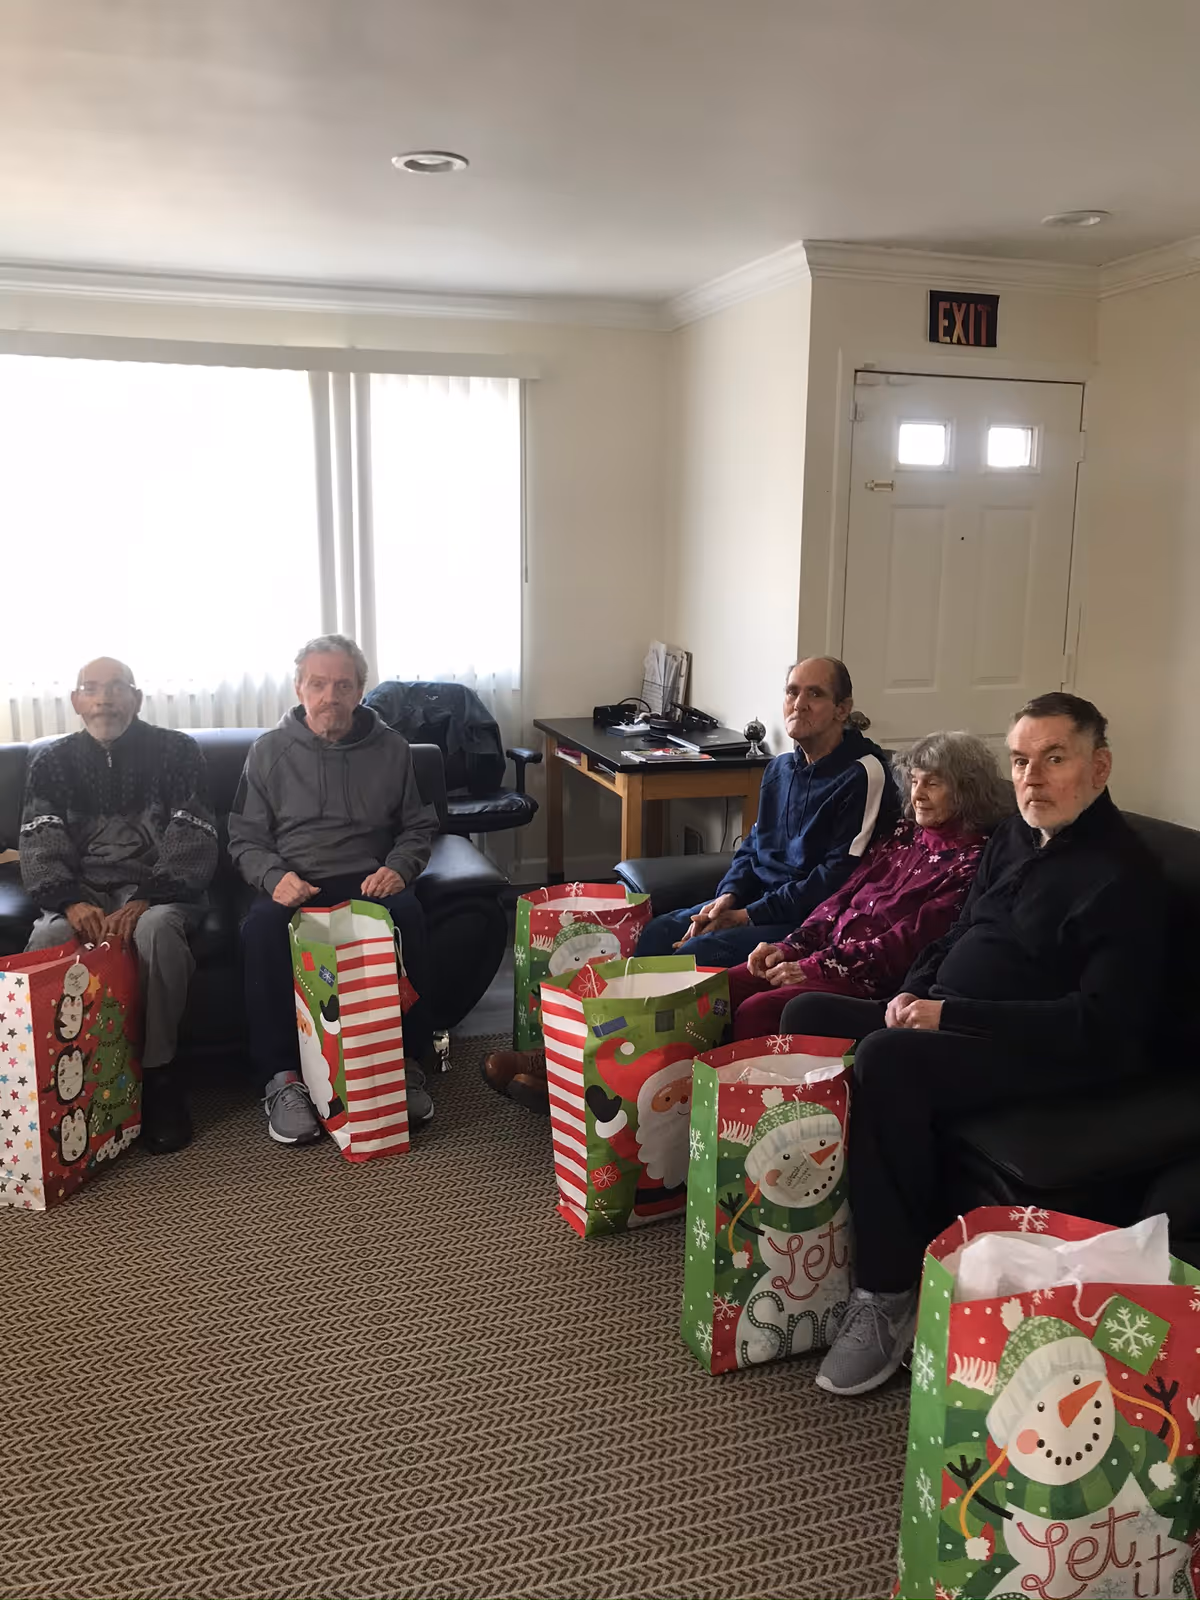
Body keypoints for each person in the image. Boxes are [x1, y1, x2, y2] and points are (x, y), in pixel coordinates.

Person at [778, 693, 1165, 1398]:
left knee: (887, 1060)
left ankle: (887, 1295)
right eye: (1021, 761)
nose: (1032, 778)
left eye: (1055, 759)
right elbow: (959, 932)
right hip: (950, 1018)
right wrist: (912, 990)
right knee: (807, 1012)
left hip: (1045, 1053)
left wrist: (950, 1014)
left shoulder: (1126, 877)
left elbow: (1100, 1025)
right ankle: (806, 1240)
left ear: (1099, 766)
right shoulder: (1014, 837)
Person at [482, 657, 899, 1109]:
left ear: (843, 708)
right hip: (755, 905)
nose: (799, 703)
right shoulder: (780, 768)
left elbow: (838, 880)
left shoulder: (864, 772)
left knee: (695, 957)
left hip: (807, 924)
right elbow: (752, 847)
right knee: (659, 931)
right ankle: (574, 1066)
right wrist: (725, 898)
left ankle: (612, 1089)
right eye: (791, 691)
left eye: (814, 694)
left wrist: (746, 916)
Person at [228, 634, 440, 1145]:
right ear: (299, 687)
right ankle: (282, 1079)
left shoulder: (392, 749)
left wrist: (399, 867)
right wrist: (274, 877)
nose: (330, 697)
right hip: (295, 879)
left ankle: (405, 1064)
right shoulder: (268, 752)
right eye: (318, 684)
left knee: (407, 918)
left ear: (360, 690)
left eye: (343, 685)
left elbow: (418, 827)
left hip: (368, 876)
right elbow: (244, 837)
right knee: (259, 932)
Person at [19, 656, 217, 1154]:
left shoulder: (178, 752)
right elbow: (40, 842)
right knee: (46, 939)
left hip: (159, 893)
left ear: (137, 697)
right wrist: (69, 902)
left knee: (154, 929)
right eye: (92, 688)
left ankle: (160, 1080)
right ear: (76, 701)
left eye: (116, 687)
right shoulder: (51, 763)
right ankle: (54, 1090)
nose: (104, 698)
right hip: (81, 893)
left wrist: (149, 894)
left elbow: (194, 834)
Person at [726, 732, 1011, 1038]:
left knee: (758, 1009)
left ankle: (743, 1085)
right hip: (821, 956)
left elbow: (908, 945)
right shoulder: (903, 834)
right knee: (724, 987)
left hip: (866, 979)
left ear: (966, 791)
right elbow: (841, 897)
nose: (918, 794)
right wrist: (790, 946)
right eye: (914, 781)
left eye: (933, 783)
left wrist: (814, 967)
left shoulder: (969, 863)